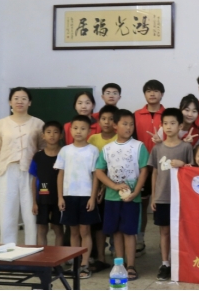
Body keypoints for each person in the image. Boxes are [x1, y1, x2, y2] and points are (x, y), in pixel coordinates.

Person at [95, 109, 149, 282]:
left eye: (131, 124)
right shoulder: (107, 148)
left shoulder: (139, 146)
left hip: (131, 198)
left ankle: (131, 265)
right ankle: (120, 264)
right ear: (115, 125)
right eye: (124, 124)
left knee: (129, 231)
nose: (128, 127)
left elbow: (144, 171)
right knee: (116, 231)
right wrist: (114, 186)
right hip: (112, 197)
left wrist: (136, 192)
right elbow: (99, 171)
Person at [0, 87, 45, 245]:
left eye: (24, 98)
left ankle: (32, 250)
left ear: (30, 102)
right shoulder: (1, 123)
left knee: (31, 214)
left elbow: (43, 147)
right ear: (10, 101)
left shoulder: (38, 123)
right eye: (16, 98)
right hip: (7, 172)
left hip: (30, 172)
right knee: (7, 213)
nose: (19, 101)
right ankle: (7, 251)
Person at [148, 108, 193, 281]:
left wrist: (183, 165)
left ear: (180, 126)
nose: (168, 126)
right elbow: (154, 173)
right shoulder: (157, 148)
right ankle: (165, 263)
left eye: (172, 123)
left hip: (181, 198)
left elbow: (193, 170)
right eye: (165, 123)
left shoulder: (186, 147)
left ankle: (180, 262)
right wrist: (154, 195)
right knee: (164, 232)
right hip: (162, 197)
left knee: (181, 231)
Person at [54, 115, 101, 279]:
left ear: (89, 131)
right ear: (70, 130)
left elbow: (96, 176)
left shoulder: (93, 150)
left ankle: (85, 264)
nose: (78, 131)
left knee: (85, 231)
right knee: (73, 231)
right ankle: (76, 262)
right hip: (69, 196)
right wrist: (60, 197)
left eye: (83, 128)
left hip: (86, 196)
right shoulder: (65, 150)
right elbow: (60, 174)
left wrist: (92, 197)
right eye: (75, 128)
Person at [135, 79, 166, 253]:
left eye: (155, 91)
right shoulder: (136, 115)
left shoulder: (168, 115)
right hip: (141, 166)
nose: (152, 94)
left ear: (162, 94)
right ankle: (140, 239)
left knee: (163, 204)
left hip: (163, 165)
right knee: (141, 204)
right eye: (148, 91)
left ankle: (165, 242)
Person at [87, 104, 118, 273]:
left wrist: (105, 187)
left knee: (115, 224)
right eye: (103, 119)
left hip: (113, 188)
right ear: (98, 121)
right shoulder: (93, 139)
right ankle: (100, 257)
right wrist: (98, 188)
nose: (107, 122)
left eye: (111, 119)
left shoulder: (119, 139)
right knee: (98, 225)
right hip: (95, 187)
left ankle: (118, 256)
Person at [29, 121, 63, 247]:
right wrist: (34, 202)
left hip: (60, 199)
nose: (52, 135)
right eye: (48, 132)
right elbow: (34, 179)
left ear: (61, 135)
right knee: (42, 229)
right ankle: (42, 257)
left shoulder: (65, 154)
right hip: (42, 198)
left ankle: (59, 257)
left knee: (58, 228)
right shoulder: (38, 156)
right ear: (43, 136)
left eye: (55, 132)